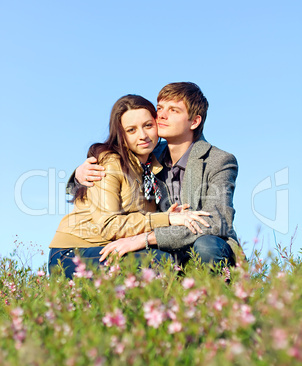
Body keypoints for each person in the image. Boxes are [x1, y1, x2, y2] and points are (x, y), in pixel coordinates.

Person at [71, 82, 239, 267]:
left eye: (174, 110)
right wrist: (79, 176)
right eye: (159, 108)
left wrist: (145, 239)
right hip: (161, 251)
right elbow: (112, 161)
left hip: (199, 244)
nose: (162, 115)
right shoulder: (147, 153)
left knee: (207, 246)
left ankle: (216, 294)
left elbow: (215, 223)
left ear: (194, 121)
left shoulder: (219, 160)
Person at [49, 94, 210, 278]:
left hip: (115, 247)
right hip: (75, 252)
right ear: (121, 135)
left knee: (179, 261)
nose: (143, 136)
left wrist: (168, 215)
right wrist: (167, 219)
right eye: (131, 130)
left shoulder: (153, 163)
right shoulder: (109, 163)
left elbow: (188, 141)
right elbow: (110, 226)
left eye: (148, 126)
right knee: (161, 264)